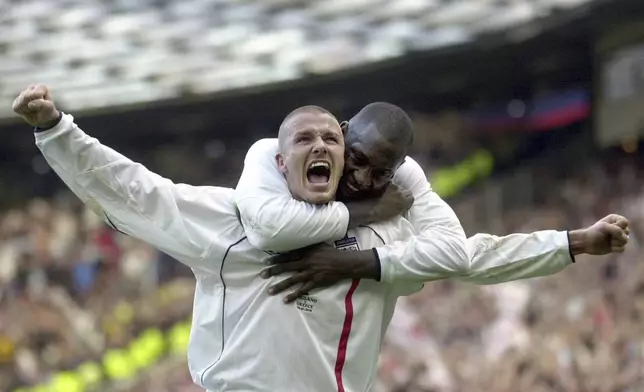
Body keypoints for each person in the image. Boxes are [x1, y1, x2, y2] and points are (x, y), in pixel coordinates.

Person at [12, 85, 629, 391]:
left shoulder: (391, 235)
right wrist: (58, 131)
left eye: (334, 143)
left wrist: (571, 241)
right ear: (280, 163)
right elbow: (137, 192)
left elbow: (472, 256)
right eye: (305, 141)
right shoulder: (236, 220)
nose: (327, 153)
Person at [235, 102, 630, 301]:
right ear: (341, 135)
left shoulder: (400, 190)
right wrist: (363, 213)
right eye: (355, 159)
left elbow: (461, 255)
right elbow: (270, 227)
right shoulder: (275, 161)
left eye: (379, 172)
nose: (361, 179)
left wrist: (572, 243)